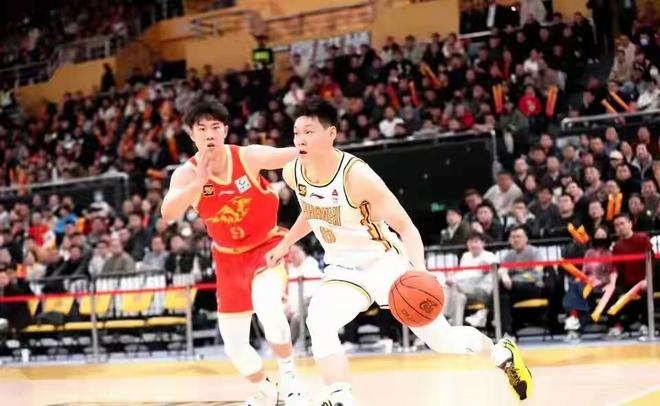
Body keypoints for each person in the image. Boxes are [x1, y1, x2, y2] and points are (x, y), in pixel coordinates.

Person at [265, 98, 533, 405]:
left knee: (441, 340)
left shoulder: (358, 176)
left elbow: (406, 226)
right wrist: (285, 244)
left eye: (309, 132)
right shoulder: (293, 172)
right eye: (296, 132)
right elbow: (312, 212)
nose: (300, 139)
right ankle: (340, 397)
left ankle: (501, 354)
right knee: (319, 320)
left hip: (384, 263)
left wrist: (419, 271)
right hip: (342, 269)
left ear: (331, 134)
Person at [161, 100, 304, 405]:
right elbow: (168, 213)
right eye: (202, 128)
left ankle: (292, 380)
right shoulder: (186, 175)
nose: (209, 134)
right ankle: (267, 391)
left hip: (266, 247)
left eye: (215, 127)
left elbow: (288, 154)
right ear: (192, 135)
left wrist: (310, 144)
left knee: (268, 308)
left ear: (225, 131)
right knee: (235, 346)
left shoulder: (247, 157)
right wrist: (198, 184)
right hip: (228, 258)